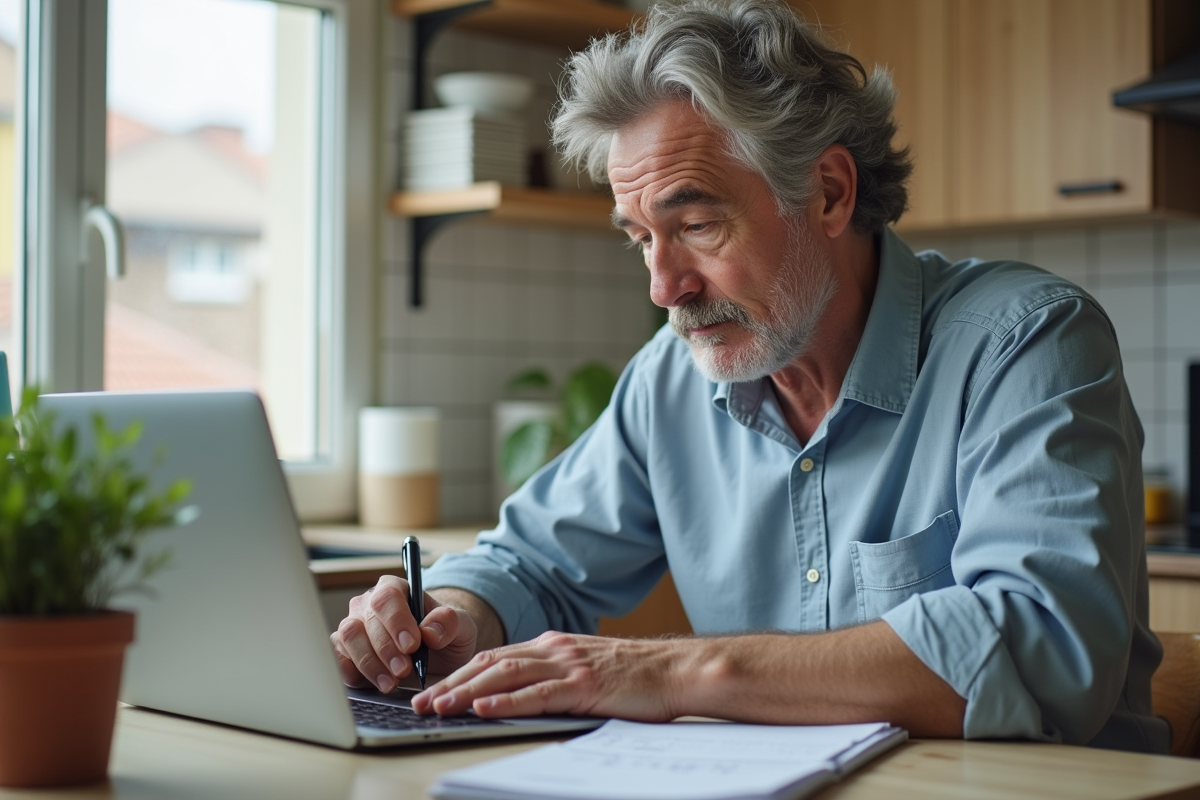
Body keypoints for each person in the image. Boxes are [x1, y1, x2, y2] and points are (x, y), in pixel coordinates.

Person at [332, 0, 1167, 751]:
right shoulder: (670, 382)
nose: (665, 288)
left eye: (696, 223)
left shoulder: (1026, 341)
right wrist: (446, 618)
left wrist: (673, 673)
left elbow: (1042, 644)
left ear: (830, 192)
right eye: (640, 239)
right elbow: (530, 563)